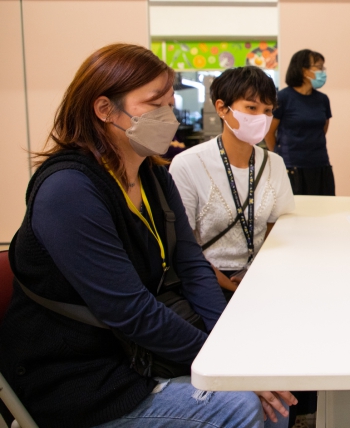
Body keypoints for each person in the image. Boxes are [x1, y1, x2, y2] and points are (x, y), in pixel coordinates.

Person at [0, 44, 295, 428]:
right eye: (155, 105)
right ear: (105, 109)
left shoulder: (153, 176)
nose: (168, 118)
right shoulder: (69, 190)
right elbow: (130, 310)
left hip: (140, 353)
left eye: (170, 105)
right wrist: (218, 361)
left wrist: (227, 344)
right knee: (244, 405)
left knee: (268, 379)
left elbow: (192, 266)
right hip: (83, 380)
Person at [170, 66, 294, 301]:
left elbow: (277, 227)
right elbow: (184, 243)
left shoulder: (274, 163)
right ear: (221, 108)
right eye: (251, 108)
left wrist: (257, 271)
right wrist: (225, 283)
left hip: (260, 274)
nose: (261, 118)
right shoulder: (188, 164)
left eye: (268, 110)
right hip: (205, 278)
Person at [264, 49, 334, 196]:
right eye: (319, 67)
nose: (323, 72)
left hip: (320, 163)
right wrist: (277, 156)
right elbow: (269, 132)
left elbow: (323, 130)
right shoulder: (283, 97)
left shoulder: (323, 99)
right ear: (304, 71)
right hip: (291, 166)